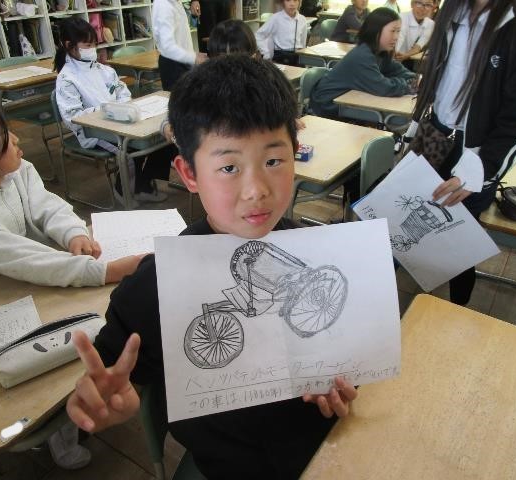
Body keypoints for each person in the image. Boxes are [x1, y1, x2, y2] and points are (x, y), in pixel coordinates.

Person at [66, 55, 358, 479]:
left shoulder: (321, 253)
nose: (256, 190)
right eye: (228, 167)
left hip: (327, 450)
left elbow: (346, 352)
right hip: (229, 467)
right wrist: (108, 397)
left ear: (296, 155)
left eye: (273, 161)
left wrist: (343, 384)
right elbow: (112, 371)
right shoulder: (156, 285)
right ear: (189, 174)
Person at [0, 89, 144, 469]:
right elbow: (22, 257)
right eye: (4, 136)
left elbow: (48, 207)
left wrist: (73, 234)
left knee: (73, 347)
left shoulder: (14, 170)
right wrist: (105, 270)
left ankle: (68, 425)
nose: (16, 139)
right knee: (31, 371)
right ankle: (52, 431)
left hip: (35, 283)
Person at [411, 0, 516, 305]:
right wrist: (415, 127)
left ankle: (457, 313)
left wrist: (479, 170)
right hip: (434, 137)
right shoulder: (454, 11)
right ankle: (380, 304)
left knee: (459, 244)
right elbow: (440, 80)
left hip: (474, 155)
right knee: (405, 222)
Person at [54, 17, 173, 205]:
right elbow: (72, 118)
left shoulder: (103, 70)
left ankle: (143, 185)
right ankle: (123, 190)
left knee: (162, 139)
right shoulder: (66, 78)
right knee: (130, 149)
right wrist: (108, 110)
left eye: (94, 44)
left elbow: (122, 92)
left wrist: (121, 107)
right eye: (87, 45)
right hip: (93, 131)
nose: (93, 49)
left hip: (122, 121)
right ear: (69, 45)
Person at [310, 7, 416, 118]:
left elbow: (399, 71)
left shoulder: (381, 51)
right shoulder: (363, 55)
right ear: (376, 31)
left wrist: (414, 80)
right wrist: (409, 85)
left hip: (348, 100)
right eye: (392, 31)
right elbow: (383, 87)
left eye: (398, 31)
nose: (396, 37)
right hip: (328, 104)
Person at [153, 0, 207, 90]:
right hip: (173, 65)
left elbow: (181, 36)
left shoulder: (176, 2)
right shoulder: (164, 5)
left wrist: (193, 55)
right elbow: (167, 46)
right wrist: (193, 57)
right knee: (180, 97)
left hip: (183, 62)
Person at [255, 0, 308, 65]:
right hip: (280, 58)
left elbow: (303, 43)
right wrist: (266, 53)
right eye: (288, 0)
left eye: (295, 0)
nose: (292, 4)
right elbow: (258, 35)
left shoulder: (302, 19)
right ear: (283, 2)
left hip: (298, 57)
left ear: (299, 2)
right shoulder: (275, 18)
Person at [395, 0, 435, 69]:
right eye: (419, 3)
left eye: (428, 5)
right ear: (412, 4)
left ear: (432, 8)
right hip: (392, 55)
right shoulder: (401, 17)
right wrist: (395, 55)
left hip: (407, 58)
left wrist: (405, 56)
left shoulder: (431, 24)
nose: (422, 8)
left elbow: (418, 46)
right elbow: (399, 39)